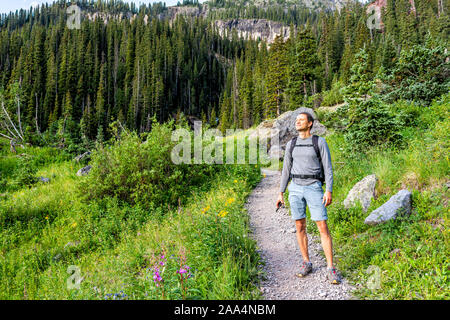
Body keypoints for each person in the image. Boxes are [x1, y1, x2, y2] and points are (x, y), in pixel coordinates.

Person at [276, 112, 341, 285]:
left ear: (310, 123)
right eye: (296, 120)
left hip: (314, 187)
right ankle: (306, 262)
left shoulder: (319, 142)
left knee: (322, 226)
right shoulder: (291, 144)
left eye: (301, 120)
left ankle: (331, 268)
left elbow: (328, 168)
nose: (297, 122)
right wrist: (281, 192)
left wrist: (329, 190)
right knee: (300, 226)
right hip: (295, 188)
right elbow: (286, 170)